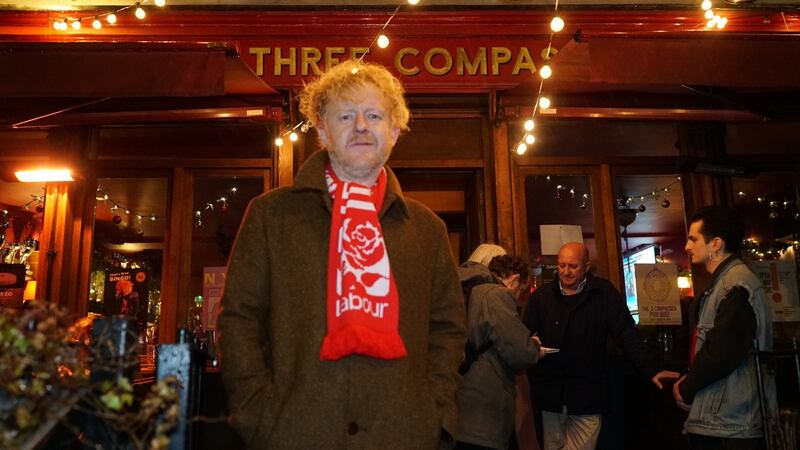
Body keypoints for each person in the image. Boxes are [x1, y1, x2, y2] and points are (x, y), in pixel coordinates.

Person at [217, 60, 466, 450]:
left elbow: (448, 331)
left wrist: (435, 416)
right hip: (293, 435)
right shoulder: (271, 215)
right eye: (346, 115)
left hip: (404, 435)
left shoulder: (427, 230)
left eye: (374, 115)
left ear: (395, 131)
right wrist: (258, 415)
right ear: (323, 131)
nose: (362, 126)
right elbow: (238, 322)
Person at [522, 242, 679, 450]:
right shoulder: (541, 298)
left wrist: (651, 368)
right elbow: (523, 340)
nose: (566, 272)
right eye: (561, 266)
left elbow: (626, 333)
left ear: (587, 266)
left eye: (573, 266)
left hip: (589, 394)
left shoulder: (603, 293)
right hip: (549, 394)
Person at [673, 206, 774, 450]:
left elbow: (721, 352)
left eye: (693, 239)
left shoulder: (735, 284)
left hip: (731, 424)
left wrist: (686, 387)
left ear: (716, 243)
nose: (687, 247)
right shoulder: (725, 282)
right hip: (727, 420)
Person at [455, 254, 543, 450]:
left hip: (456, 408)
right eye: (520, 293)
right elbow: (522, 353)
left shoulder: (465, 287)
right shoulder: (496, 295)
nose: (518, 301)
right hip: (482, 414)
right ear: (514, 280)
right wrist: (534, 346)